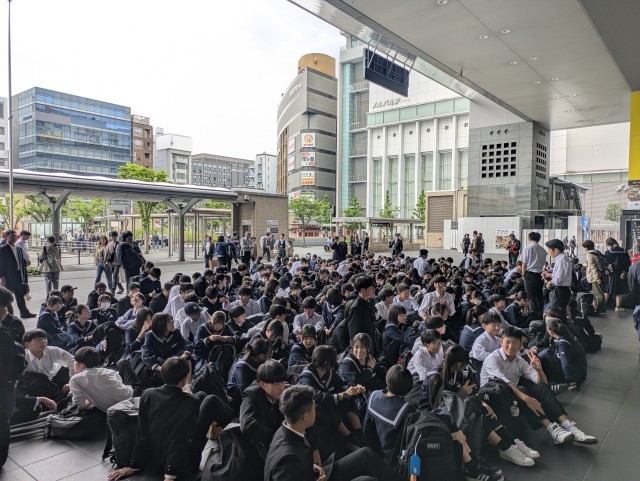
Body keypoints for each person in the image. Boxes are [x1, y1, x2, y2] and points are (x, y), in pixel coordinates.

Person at [107, 357, 234, 481]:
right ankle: (232, 431)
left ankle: (222, 427)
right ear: (184, 378)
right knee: (211, 400)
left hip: (154, 455)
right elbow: (180, 439)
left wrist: (133, 465)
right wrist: (170, 475)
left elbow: (142, 433)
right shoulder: (191, 401)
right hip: (182, 462)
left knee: (201, 395)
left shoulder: (148, 393)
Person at [480, 326, 597, 446]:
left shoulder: (519, 360)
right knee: (522, 391)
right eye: (507, 342)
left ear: (520, 344)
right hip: (493, 399)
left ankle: (568, 425)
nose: (511, 346)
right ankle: (553, 429)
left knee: (541, 388)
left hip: (512, 395)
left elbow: (543, 383)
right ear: (501, 342)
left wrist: (539, 370)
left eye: (515, 343)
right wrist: (528, 399)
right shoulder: (493, 359)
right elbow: (504, 383)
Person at [264, 384, 405, 481]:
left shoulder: (287, 428)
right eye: (314, 408)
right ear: (305, 416)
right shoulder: (288, 460)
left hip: (314, 473)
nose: (316, 410)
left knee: (365, 454)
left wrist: (310, 467)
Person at [240, 359, 287, 461]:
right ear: (262, 384)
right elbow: (247, 425)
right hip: (257, 449)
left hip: (280, 444)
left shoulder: (284, 391)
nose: (281, 387)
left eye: (283, 382)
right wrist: (276, 438)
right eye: (276, 384)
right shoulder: (252, 395)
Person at [69, 346, 137, 411]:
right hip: (132, 399)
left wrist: (90, 398)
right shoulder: (107, 371)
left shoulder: (74, 380)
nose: (73, 363)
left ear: (81, 365)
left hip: (111, 410)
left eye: (75, 361)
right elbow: (120, 383)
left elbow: (80, 405)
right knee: (122, 363)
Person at [537, 318, 587, 389]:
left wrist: (572, 382)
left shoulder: (563, 344)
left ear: (551, 333)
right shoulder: (567, 335)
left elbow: (565, 365)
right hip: (580, 371)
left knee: (546, 354)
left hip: (575, 375)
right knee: (545, 352)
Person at [0, 230, 35, 318]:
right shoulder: (2, 249)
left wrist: (24, 276)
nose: (14, 238)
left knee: (20, 295)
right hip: (8, 276)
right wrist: (1, 276)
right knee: (7, 296)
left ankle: (24, 312)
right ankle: (7, 314)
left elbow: (21, 263)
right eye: (12, 236)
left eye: (15, 236)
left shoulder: (18, 249)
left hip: (19, 275)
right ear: (6, 237)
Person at [521, 232, 548, 321]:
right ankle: (540, 317)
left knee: (531, 297)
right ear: (539, 239)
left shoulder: (527, 248)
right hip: (540, 275)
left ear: (529, 239)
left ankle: (533, 318)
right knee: (539, 297)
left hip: (530, 274)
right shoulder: (543, 250)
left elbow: (524, 264)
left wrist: (523, 274)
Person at [544, 239, 573, 321]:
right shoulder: (561, 259)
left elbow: (559, 279)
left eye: (549, 250)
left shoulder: (562, 260)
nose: (549, 253)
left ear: (556, 250)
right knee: (559, 315)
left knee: (555, 315)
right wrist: (550, 274)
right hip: (561, 290)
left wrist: (550, 283)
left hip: (560, 290)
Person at [604, 237, 631, 311]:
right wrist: (624, 272)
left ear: (610, 244)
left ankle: (602, 307)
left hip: (611, 274)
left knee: (607, 291)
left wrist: (609, 268)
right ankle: (618, 307)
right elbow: (628, 263)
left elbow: (605, 262)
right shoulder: (624, 251)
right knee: (619, 292)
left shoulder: (608, 252)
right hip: (621, 274)